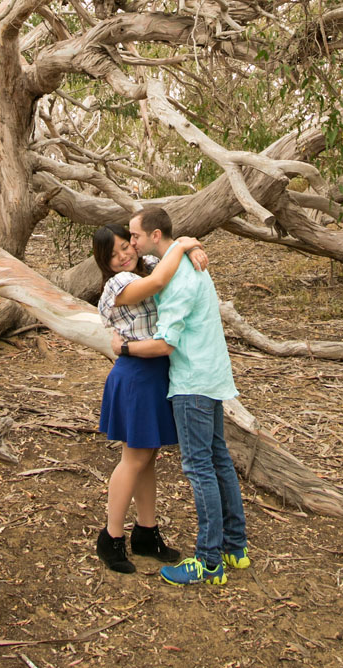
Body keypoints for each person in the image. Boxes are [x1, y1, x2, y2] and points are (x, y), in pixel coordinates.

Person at [111, 207, 249, 587]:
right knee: (218, 458)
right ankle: (235, 547)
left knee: (199, 467)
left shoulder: (173, 282)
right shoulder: (181, 262)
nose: (132, 243)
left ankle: (208, 560)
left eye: (135, 237)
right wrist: (188, 244)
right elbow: (163, 260)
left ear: (155, 235)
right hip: (213, 373)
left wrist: (124, 349)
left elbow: (166, 344)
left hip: (191, 381)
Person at [93, 223, 207, 574]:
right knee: (134, 458)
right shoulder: (118, 284)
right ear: (105, 263)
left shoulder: (147, 262)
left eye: (125, 246)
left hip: (157, 371)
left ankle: (146, 531)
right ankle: (111, 538)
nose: (122, 256)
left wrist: (191, 245)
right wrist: (185, 246)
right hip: (136, 375)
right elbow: (157, 285)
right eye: (112, 255)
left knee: (148, 457)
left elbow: (170, 252)